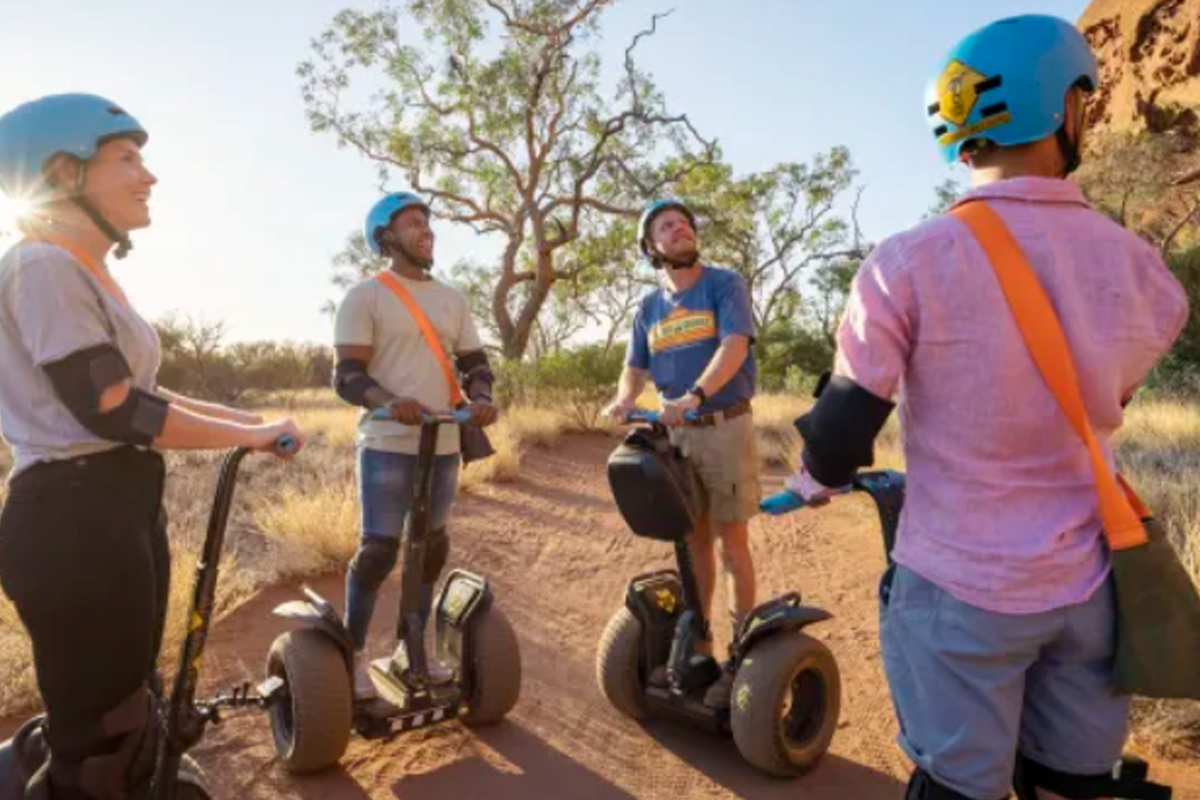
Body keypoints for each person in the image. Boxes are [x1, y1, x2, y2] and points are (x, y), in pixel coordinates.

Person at [780, 15, 1189, 800]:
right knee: (1072, 781)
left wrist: (811, 478)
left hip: (960, 588)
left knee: (957, 786)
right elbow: (1108, 398)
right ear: (1069, 110)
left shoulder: (906, 261)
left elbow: (839, 437)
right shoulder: (1145, 273)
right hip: (1089, 585)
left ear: (960, 134)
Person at [0, 93, 305, 800]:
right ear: (61, 171)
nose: (150, 176)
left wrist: (249, 426)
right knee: (104, 745)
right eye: (128, 158)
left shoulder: (80, 270)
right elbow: (114, 408)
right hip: (73, 520)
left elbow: (147, 394)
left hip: (112, 508)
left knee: (130, 710)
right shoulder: (41, 265)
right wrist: (247, 435)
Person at [332, 190, 499, 700]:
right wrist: (391, 400)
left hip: (444, 440)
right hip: (387, 442)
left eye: (427, 221)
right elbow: (347, 376)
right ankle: (350, 656)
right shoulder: (366, 296)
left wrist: (483, 397)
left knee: (431, 547)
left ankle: (412, 649)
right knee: (379, 550)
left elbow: (475, 363)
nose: (425, 229)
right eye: (411, 222)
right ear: (387, 237)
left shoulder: (452, 298)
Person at [602, 197, 761, 709]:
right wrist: (626, 397)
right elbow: (635, 365)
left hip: (721, 426)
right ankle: (702, 643)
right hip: (675, 436)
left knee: (732, 542)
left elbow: (733, 345)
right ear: (651, 246)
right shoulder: (649, 307)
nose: (679, 230)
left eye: (684, 223)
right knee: (694, 544)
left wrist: (694, 395)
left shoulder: (724, 284)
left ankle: (743, 652)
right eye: (667, 227)